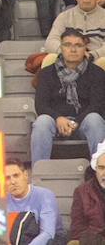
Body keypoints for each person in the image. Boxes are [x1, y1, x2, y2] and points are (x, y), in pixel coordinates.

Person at [32, 28, 105, 162]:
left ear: (85, 49)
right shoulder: (46, 73)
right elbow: (41, 105)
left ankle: (101, 171)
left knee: (95, 119)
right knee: (41, 122)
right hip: (54, 121)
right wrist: (58, 118)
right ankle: (38, 172)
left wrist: (74, 122)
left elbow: (97, 106)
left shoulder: (97, 73)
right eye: (67, 45)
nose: (73, 49)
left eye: (78, 45)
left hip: (84, 122)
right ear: (61, 48)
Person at [5, 159, 62, 245]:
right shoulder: (1, 199)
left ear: (26, 175)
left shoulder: (45, 195)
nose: (13, 182)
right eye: (7, 178)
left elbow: (47, 234)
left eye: (16, 176)